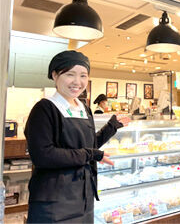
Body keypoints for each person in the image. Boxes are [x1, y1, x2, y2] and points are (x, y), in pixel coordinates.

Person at [24, 50, 130, 223]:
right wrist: (90, 154)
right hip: (54, 201)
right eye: (70, 74)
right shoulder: (45, 109)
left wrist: (111, 127)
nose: (77, 82)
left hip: (84, 197)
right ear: (55, 75)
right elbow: (43, 156)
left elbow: (89, 144)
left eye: (83, 75)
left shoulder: (84, 108)